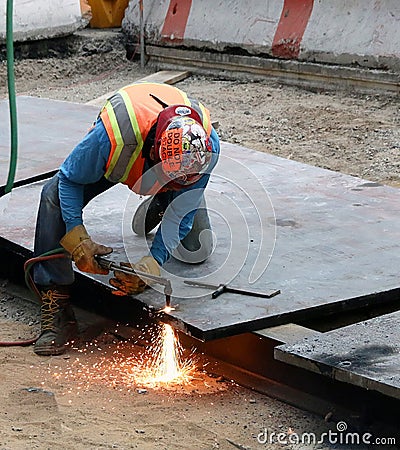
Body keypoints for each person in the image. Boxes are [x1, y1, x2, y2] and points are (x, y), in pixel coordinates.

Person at [32, 81, 220, 356]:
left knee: (195, 247)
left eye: (181, 181)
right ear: (155, 153)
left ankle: (162, 200)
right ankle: (56, 299)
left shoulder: (206, 148)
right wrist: (77, 237)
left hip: (172, 176)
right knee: (52, 196)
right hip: (123, 155)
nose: (175, 183)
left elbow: (182, 215)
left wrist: (152, 265)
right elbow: (70, 180)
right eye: (169, 179)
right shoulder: (112, 139)